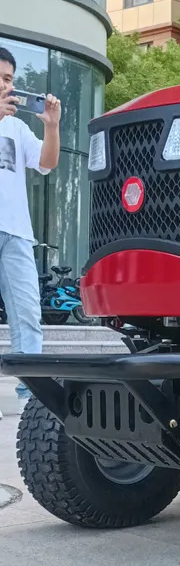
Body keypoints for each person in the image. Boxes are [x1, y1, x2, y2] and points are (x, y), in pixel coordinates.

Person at [0, 46, 62, 418]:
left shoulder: (17, 127)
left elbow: (46, 162)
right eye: (1, 79)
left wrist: (51, 127)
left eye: (8, 79)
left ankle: (33, 404)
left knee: (27, 316)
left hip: (16, 233)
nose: (6, 86)